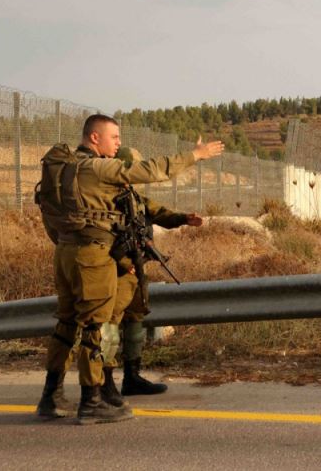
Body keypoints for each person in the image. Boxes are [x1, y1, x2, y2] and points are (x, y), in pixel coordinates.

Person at [36, 114, 224, 424]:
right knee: (96, 327)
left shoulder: (66, 170)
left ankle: (50, 396)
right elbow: (151, 171)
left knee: (67, 324)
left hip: (67, 253)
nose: (119, 143)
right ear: (94, 138)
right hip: (93, 256)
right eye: (115, 138)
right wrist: (195, 155)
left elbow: (53, 216)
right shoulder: (97, 168)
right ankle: (92, 402)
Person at [99, 147, 204, 406]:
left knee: (136, 317)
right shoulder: (103, 198)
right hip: (116, 270)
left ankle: (131, 377)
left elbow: (157, 212)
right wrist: (124, 263)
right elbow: (100, 237)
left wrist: (183, 219)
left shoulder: (132, 195)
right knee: (110, 324)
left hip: (136, 266)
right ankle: (105, 381)